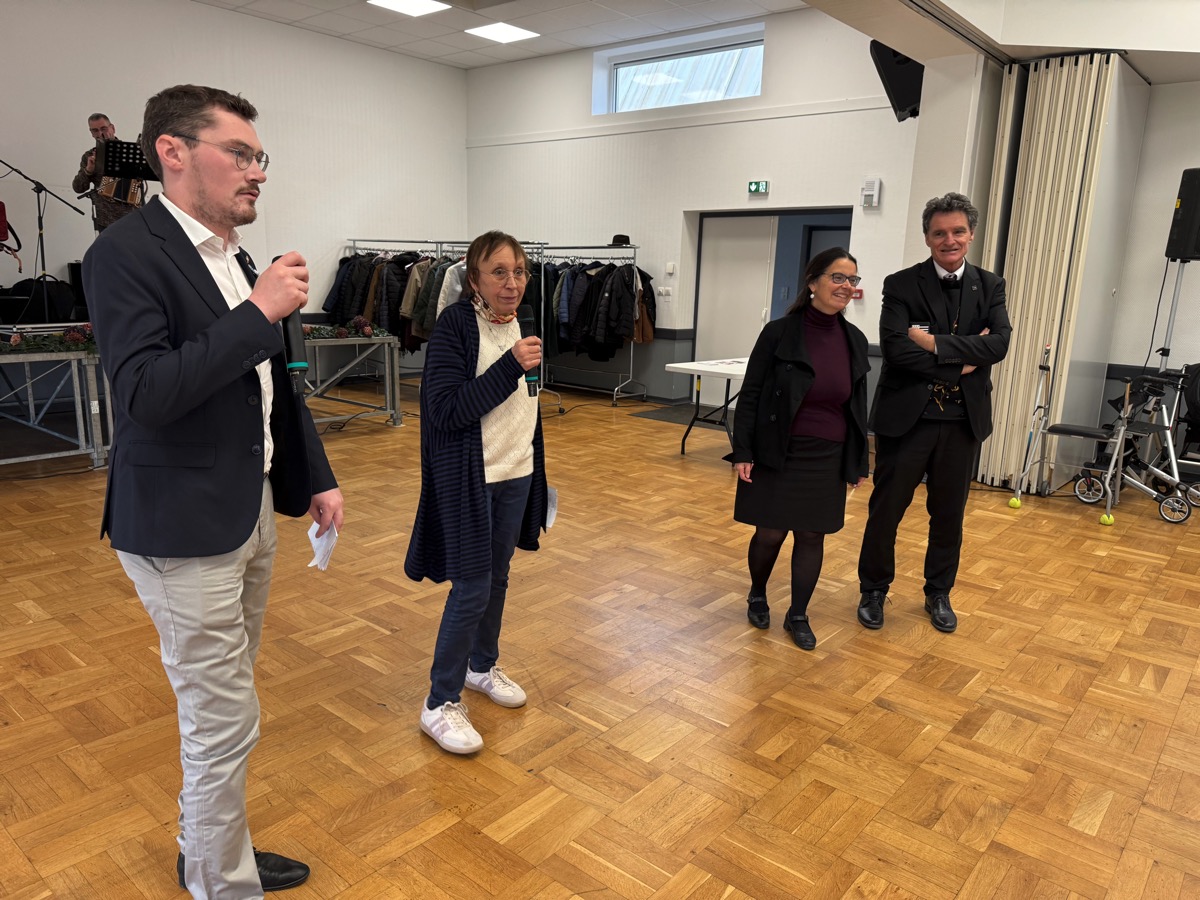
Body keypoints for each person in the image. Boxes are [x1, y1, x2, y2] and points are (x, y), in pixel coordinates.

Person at [83, 84, 344, 898]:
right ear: (172, 151)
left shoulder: (234, 258)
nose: (257, 171)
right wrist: (259, 311)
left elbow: (274, 386)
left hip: (248, 507)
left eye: (260, 157)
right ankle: (220, 881)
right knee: (223, 716)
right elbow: (145, 394)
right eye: (239, 153)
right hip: (180, 525)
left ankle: (210, 847)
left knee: (222, 707)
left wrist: (318, 476)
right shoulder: (124, 253)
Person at [405, 230, 548, 754]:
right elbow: (445, 411)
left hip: (516, 472)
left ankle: (481, 667)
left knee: (498, 577)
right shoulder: (456, 325)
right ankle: (439, 702)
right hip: (471, 477)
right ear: (474, 279)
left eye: (520, 272)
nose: (512, 283)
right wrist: (511, 365)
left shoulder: (521, 323)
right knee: (471, 587)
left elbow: (526, 405)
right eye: (499, 272)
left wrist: (534, 466)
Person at [856, 192, 1011, 633]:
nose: (949, 240)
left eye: (958, 231)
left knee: (949, 516)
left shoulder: (991, 285)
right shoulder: (901, 284)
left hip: (962, 422)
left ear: (971, 234)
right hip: (908, 420)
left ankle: (938, 592)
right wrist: (964, 360)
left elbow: (999, 344)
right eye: (940, 233)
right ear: (927, 237)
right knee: (886, 512)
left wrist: (933, 343)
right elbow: (896, 350)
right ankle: (873, 590)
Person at [727, 247, 870, 650]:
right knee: (770, 533)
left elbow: (857, 407)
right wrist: (743, 451)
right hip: (779, 449)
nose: (846, 286)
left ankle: (798, 615)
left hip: (828, 454)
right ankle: (758, 593)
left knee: (812, 535)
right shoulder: (779, 332)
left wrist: (858, 461)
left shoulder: (855, 339)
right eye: (838, 277)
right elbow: (751, 393)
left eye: (852, 279)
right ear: (812, 282)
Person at [71, 113, 143, 233]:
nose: (100, 134)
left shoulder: (131, 152)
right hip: (105, 219)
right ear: (91, 133)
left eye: (103, 129)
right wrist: (88, 170)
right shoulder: (89, 156)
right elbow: (78, 188)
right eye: (95, 130)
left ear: (112, 128)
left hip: (132, 215)